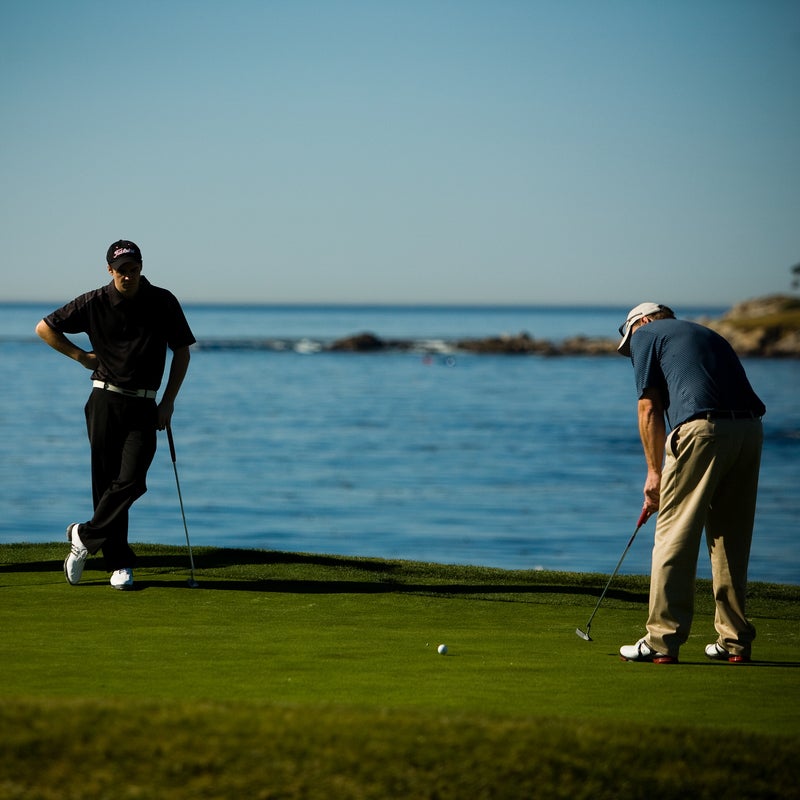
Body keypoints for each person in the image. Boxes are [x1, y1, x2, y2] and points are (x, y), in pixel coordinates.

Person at [35, 240, 196, 590]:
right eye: (121, 270)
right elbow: (45, 328)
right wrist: (81, 357)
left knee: (133, 480)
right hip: (104, 400)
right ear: (110, 270)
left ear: (141, 266)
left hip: (144, 404)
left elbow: (182, 351)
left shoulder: (162, 301)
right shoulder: (94, 302)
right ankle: (118, 564)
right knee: (106, 483)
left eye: (133, 268)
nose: (128, 275)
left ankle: (84, 535)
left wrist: (168, 402)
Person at [616, 302, 765, 664]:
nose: (630, 348)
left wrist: (654, 475)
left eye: (628, 336)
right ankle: (734, 641)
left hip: (703, 430)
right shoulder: (707, 334)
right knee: (730, 537)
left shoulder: (646, 334)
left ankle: (661, 640)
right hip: (749, 430)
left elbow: (648, 408)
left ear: (644, 321)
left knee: (674, 534)